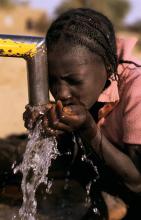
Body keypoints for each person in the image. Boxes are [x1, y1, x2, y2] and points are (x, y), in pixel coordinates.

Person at [23, 8, 141, 219]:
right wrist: (47, 129)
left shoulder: (136, 90)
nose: (61, 93)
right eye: (52, 80)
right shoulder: (83, 90)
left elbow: (137, 182)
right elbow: (70, 157)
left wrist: (89, 129)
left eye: (73, 81)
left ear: (108, 66)